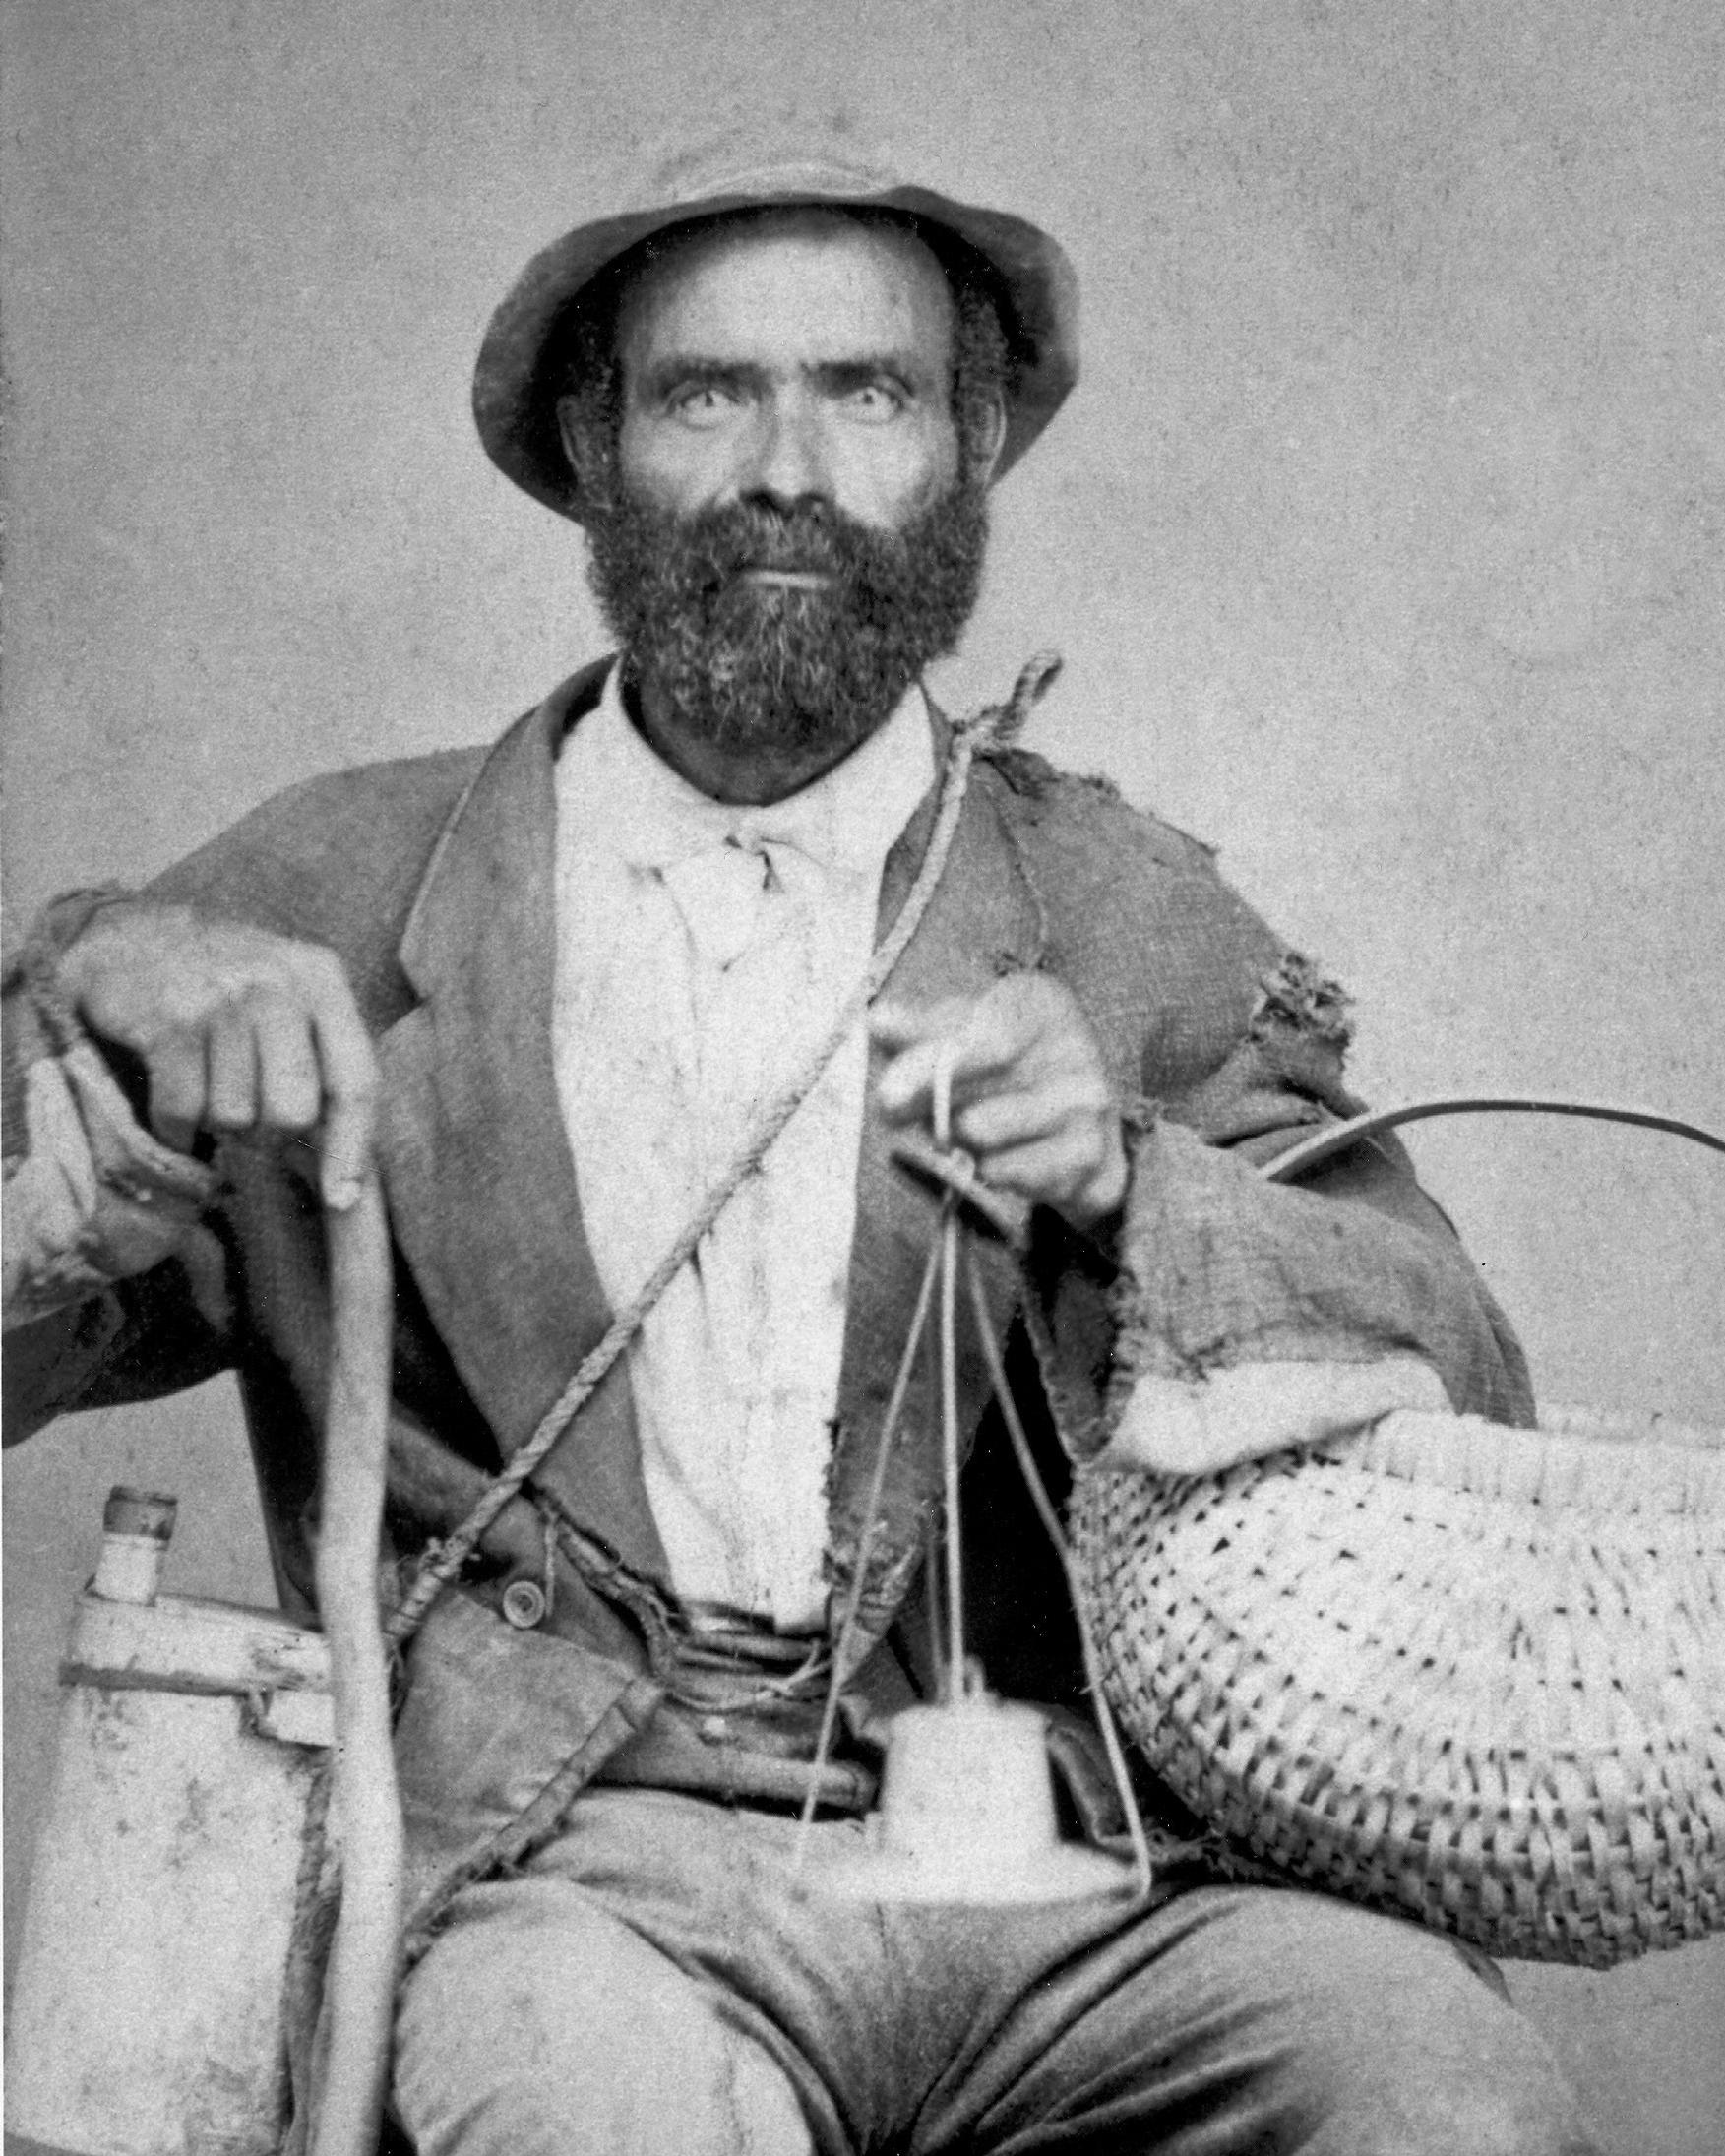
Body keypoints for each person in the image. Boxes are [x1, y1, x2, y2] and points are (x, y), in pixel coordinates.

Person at [2, 149, 1594, 2154]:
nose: (787, 469)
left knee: (1452, 2102)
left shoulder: (1120, 907)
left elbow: (1460, 1367)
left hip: (1088, 1852)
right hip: (587, 1868)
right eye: (704, 394)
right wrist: (78, 1098)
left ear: (970, 447)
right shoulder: (332, 889)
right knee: (580, 2108)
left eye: (867, 392)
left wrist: (1129, 1190)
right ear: (593, 444)